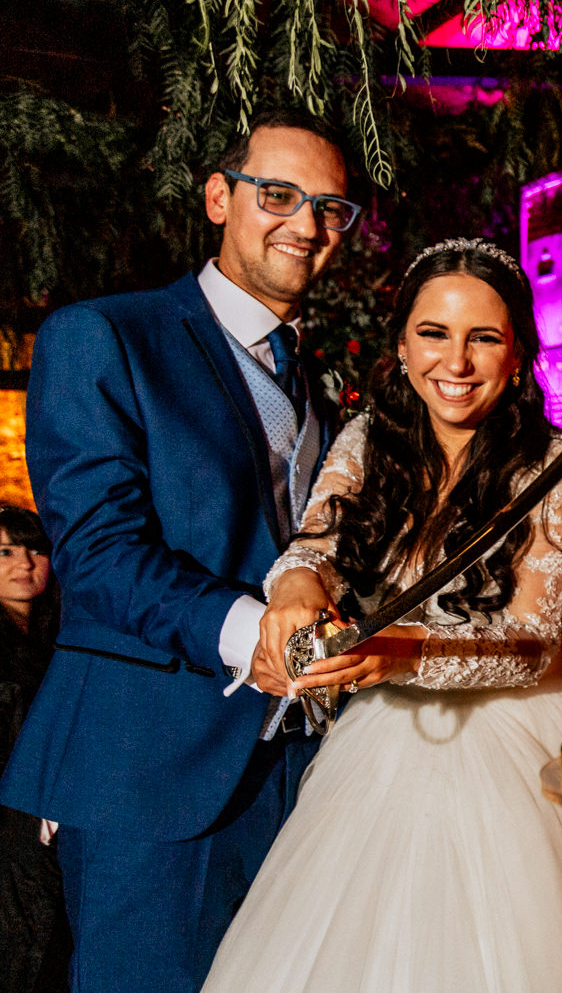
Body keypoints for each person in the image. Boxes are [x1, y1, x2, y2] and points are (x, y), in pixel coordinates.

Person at [202, 239, 562, 993]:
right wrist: (293, 587)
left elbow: (531, 646)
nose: (456, 362)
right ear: (401, 344)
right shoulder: (365, 439)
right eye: (434, 333)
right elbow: (315, 541)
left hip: (520, 745)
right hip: (382, 737)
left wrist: (399, 652)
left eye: (483, 337)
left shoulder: (559, 467)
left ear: (517, 353)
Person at [0, 110, 353, 992]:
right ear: (217, 197)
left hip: (298, 772)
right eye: (279, 195)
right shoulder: (105, 336)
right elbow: (100, 555)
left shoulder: (311, 375)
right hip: (151, 778)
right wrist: (253, 633)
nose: (306, 225)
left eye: (330, 207)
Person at [0, 506, 70, 993]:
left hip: (55, 828)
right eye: (5, 552)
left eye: (36, 550)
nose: (24, 564)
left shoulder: (66, 638)